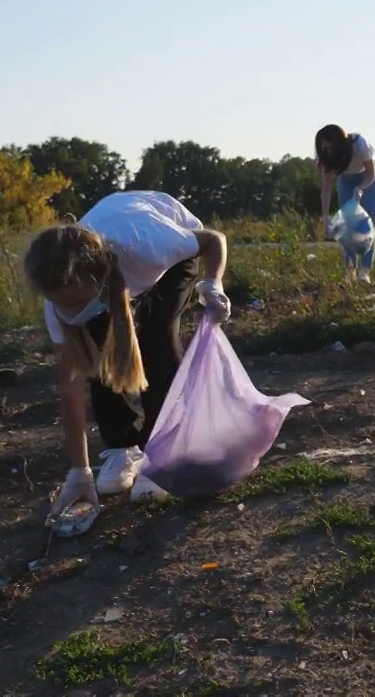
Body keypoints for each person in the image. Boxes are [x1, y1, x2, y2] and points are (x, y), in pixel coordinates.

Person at [23, 191, 233, 531]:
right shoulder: (60, 292)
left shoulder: (152, 247)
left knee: (157, 340)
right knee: (96, 349)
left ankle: (165, 454)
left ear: (100, 282)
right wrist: (80, 471)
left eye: (77, 303)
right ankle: (123, 446)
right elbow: (70, 388)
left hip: (167, 261)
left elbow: (213, 239)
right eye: (63, 305)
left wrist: (212, 284)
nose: (70, 313)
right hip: (105, 266)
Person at [316, 124, 375, 283]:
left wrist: (361, 188)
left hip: (369, 179)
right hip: (346, 180)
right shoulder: (327, 156)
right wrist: (325, 217)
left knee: (368, 223)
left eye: (330, 146)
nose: (328, 151)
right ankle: (350, 270)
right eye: (324, 147)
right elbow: (326, 187)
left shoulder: (359, 144)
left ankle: (365, 271)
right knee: (347, 224)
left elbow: (371, 172)